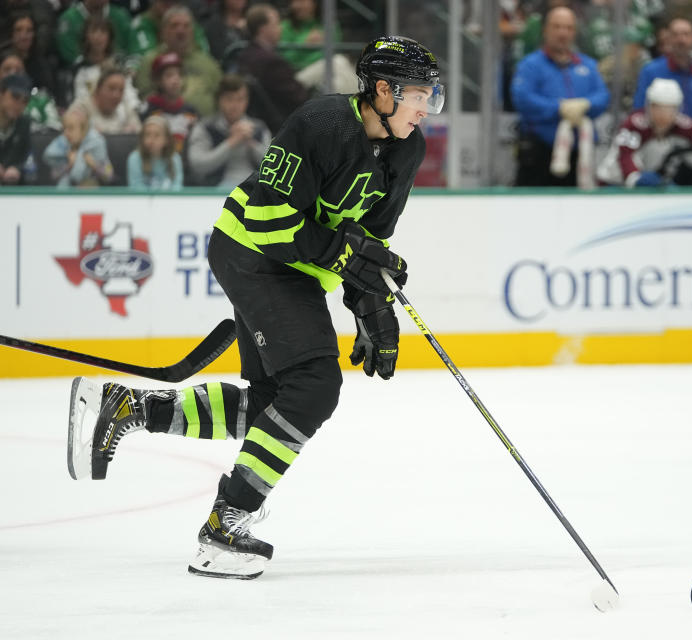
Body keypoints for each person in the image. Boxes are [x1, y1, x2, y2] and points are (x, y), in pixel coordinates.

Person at [66, 35, 443, 580]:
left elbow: (367, 241)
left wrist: (370, 304)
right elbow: (270, 222)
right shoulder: (322, 125)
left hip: (293, 268)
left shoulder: (408, 148)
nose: (426, 107)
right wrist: (344, 255)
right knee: (314, 385)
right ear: (383, 90)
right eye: (419, 95)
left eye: (432, 95)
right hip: (251, 252)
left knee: (273, 403)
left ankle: (129, 407)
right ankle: (225, 525)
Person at [511, 5, 610, 187]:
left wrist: (585, 105)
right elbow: (523, 99)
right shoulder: (530, 65)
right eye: (557, 27)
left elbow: (602, 96)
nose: (562, 33)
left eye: (568, 28)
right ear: (545, 30)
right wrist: (560, 108)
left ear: (575, 32)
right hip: (539, 155)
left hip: (580, 154)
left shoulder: (588, 65)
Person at [633, 15, 692, 147]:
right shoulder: (651, 72)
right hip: (660, 147)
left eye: (686, 34)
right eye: (676, 35)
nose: (681, 40)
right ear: (668, 39)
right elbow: (639, 112)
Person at [232, 4, 310, 133]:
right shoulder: (271, 62)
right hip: (285, 121)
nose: (281, 28)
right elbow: (299, 97)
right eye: (277, 23)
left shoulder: (246, 55)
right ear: (264, 29)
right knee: (337, 64)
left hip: (270, 116)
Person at [135, 5, 222, 116]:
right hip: (163, 124)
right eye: (174, 26)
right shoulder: (150, 60)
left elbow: (221, 96)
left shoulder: (208, 63)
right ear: (163, 31)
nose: (181, 31)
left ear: (193, 31)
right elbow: (144, 96)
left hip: (205, 126)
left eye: (186, 26)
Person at [186, 73, 270, 187]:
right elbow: (197, 166)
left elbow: (272, 167)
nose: (235, 105)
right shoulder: (205, 128)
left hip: (254, 191)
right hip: (213, 193)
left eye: (240, 99)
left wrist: (251, 143)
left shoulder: (259, 128)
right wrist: (232, 142)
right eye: (229, 99)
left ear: (247, 100)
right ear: (219, 100)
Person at [72, 16, 141, 119]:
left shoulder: (119, 63)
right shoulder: (80, 67)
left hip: (121, 118)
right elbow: (80, 99)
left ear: (109, 37)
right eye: (94, 31)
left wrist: (133, 114)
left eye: (103, 32)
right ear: (86, 36)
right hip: (90, 118)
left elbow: (129, 94)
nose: (98, 36)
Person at [140, 51, 199, 152]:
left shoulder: (190, 111)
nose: (175, 80)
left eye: (179, 75)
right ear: (157, 80)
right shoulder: (148, 109)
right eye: (169, 75)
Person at [42, 106, 114, 187]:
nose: (66, 133)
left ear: (84, 130)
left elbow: (109, 176)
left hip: (91, 196)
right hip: (65, 195)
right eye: (64, 128)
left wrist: (94, 166)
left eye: (71, 128)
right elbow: (53, 176)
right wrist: (69, 165)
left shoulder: (96, 143)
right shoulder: (63, 144)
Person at [56, 0, 134, 66]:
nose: (98, 36)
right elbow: (69, 55)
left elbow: (131, 48)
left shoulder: (121, 16)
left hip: (117, 70)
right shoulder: (69, 19)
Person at [0, 51, 60, 133]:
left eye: (18, 70)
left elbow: (56, 130)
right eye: (7, 69)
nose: (13, 74)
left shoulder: (42, 101)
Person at [71, 65, 141, 134]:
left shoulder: (126, 109)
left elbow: (139, 132)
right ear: (98, 89)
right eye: (111, 88)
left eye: (121, 90)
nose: (116, 95)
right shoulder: (82, 107)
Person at [131, 0, 209, 58]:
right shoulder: (142, 23)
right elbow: (146, 56)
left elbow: (204, 55)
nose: (169, 2)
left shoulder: (188, 23)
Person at [126, 114, 182, 189]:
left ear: (167, 139)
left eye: (157, 135)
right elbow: (136, 187)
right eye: (147, 135)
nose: (151, 140)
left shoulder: (175, 158)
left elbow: (177, 187)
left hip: (169, 200)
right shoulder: (135, 158)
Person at [0, 72, 32, 185]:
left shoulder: (24, 123)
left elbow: (27, 157)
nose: (19, 104)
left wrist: (17, 168)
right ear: (1, 94)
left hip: (14, 190)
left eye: (25, 100)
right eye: (15, 96)